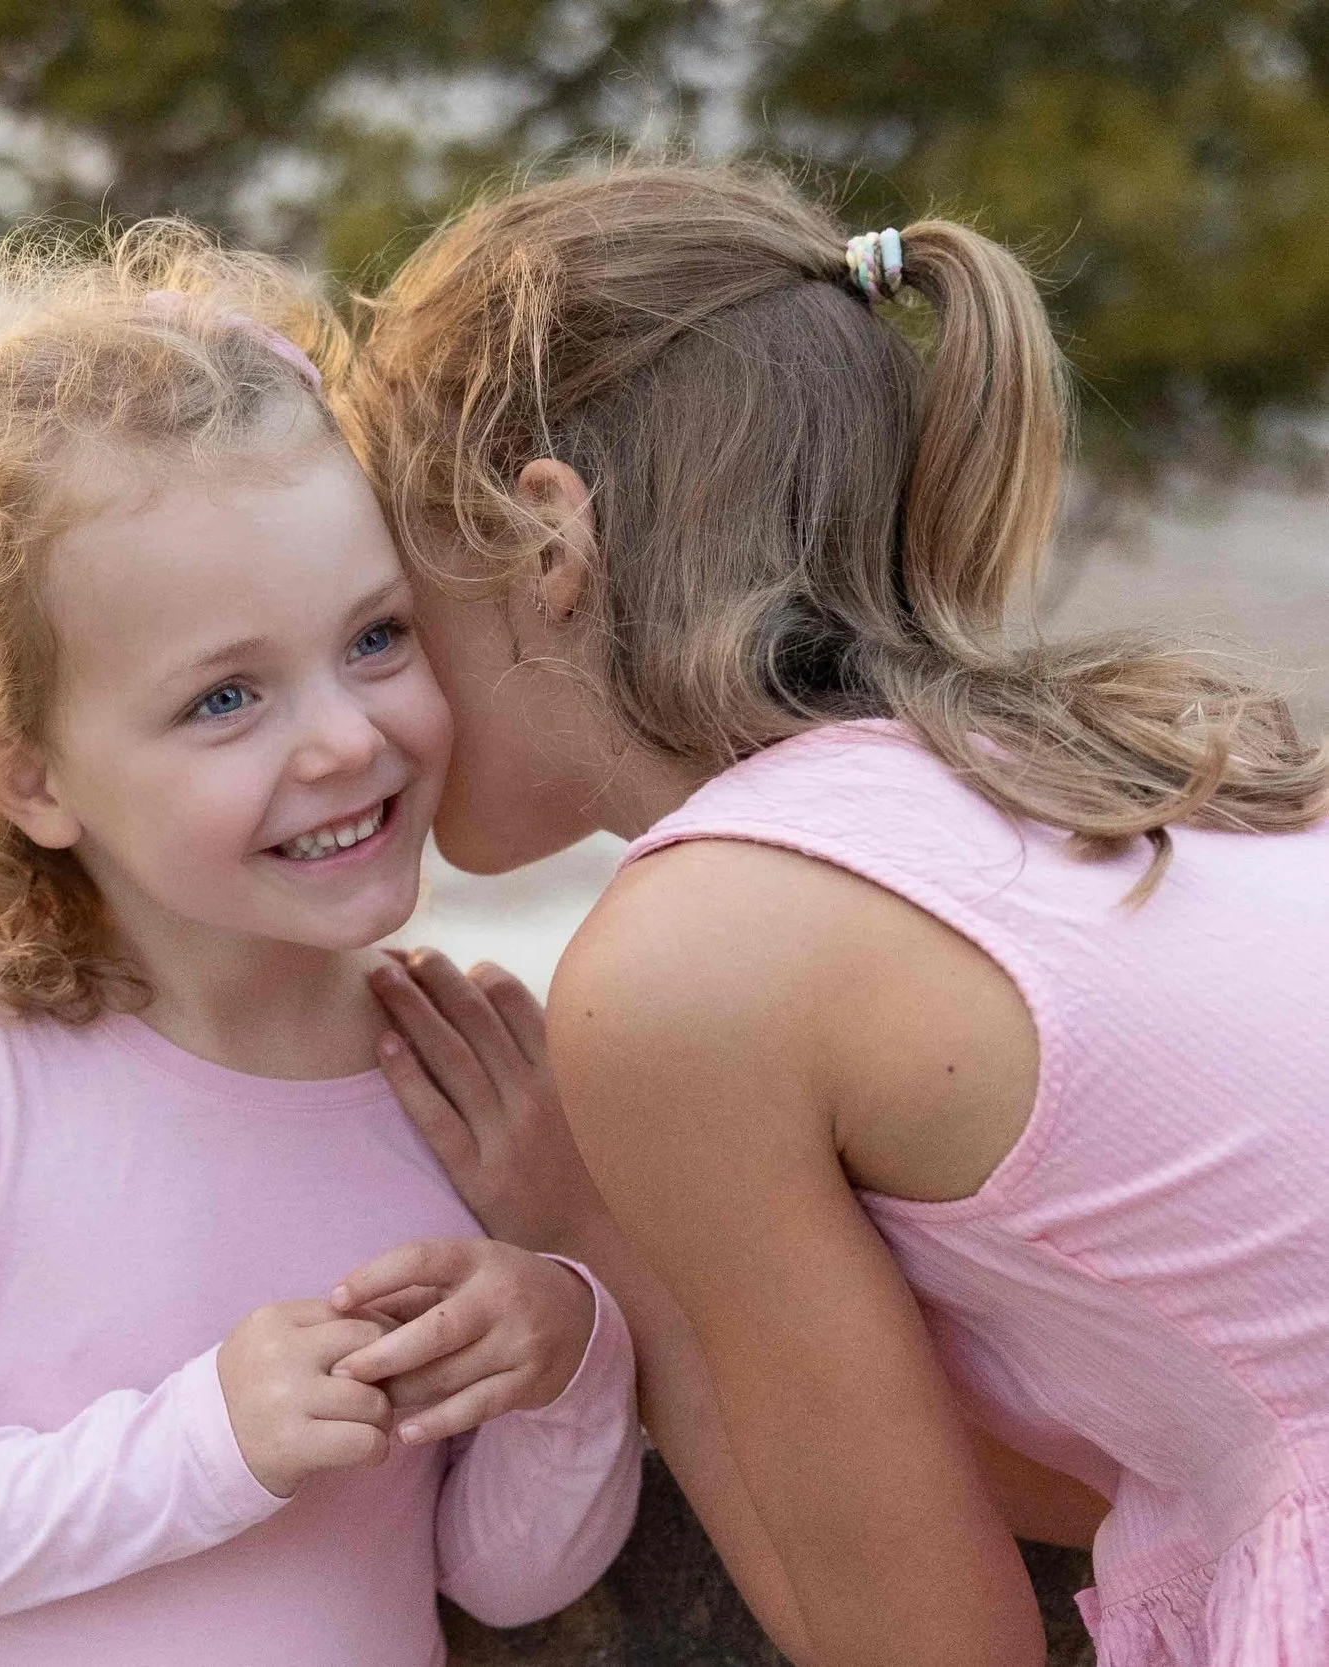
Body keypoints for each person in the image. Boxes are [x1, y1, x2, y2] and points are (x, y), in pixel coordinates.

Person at [326, 163, 1329, 1667]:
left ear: (546, 545)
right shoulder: (1147, 764)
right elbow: (1171, 1434)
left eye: (382, 623)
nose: (361, 712)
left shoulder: (695, 960)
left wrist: (606, 1229)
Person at [0, 224, 641, 1665]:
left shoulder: (463, 1085)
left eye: (378, 638)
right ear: (32, 778)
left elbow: (506, 1575)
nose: (345, 737)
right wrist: (202, 1441)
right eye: (226, 699)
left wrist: (569, 1348)